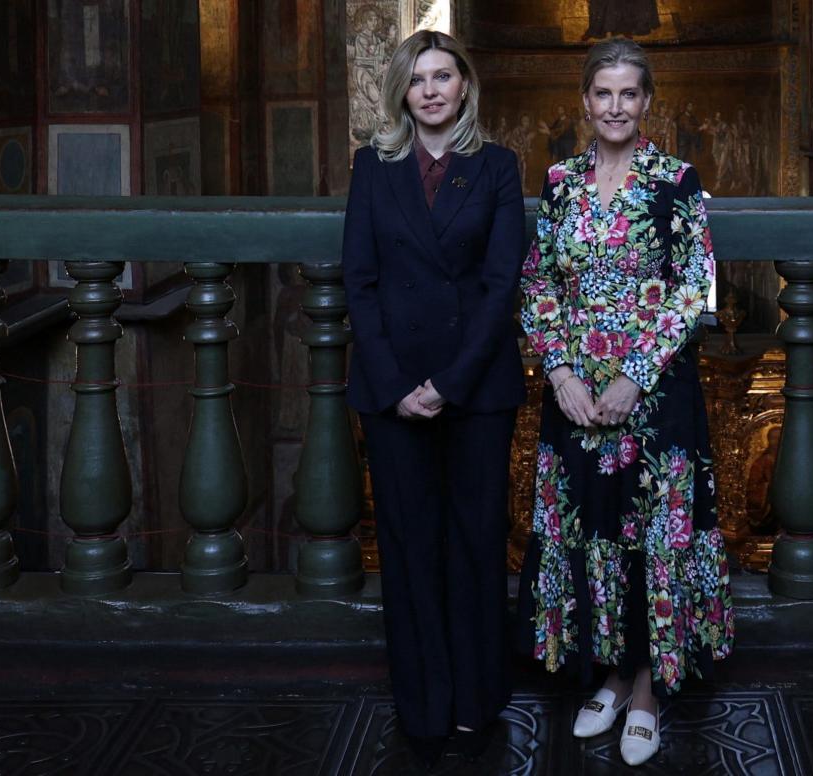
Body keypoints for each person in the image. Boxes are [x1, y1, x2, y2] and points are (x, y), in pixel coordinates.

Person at [517, 37, 734, 767]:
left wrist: (632, 375)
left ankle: (645, 689)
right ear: (585, 102)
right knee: (595, 531)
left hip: (654, 396)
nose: (615, 107)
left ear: (646, 102)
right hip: (576, 399)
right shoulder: (559, 182)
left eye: (628, 94)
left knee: (650, 537)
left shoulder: (675, 179)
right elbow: (537, 284)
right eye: (602, 94)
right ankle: (608, 674)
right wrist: (562, 375)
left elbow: (691, 288)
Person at [341, 29, 526, 769]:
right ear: (400, 92)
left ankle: (477, 701)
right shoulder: (372, 169)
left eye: (443, 76)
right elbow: (360, 281)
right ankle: (423, 706)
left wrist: (448, 384)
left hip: (475, 388)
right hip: (391, 393)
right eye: (417, 79)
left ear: (464, 87)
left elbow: (499, 284)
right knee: (410, 549)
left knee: (476, 545)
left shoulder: (496, 167)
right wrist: (397, 388)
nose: (431, 89)